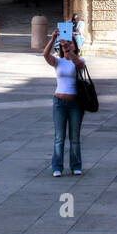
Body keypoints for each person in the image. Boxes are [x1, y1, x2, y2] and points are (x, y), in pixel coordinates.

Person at [43, 27, 86, 177]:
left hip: (76, 103)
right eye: (64, 44)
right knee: (59, 137)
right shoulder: (58, 62)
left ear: (75, 45)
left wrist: (70, 52)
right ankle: (57, 167)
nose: (67, 45)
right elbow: (45, 55)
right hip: (59, 103)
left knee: (74, 137)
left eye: (70, 43)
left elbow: (79, 65)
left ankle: (76, 166)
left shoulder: (79, 60)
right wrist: (53, 38)